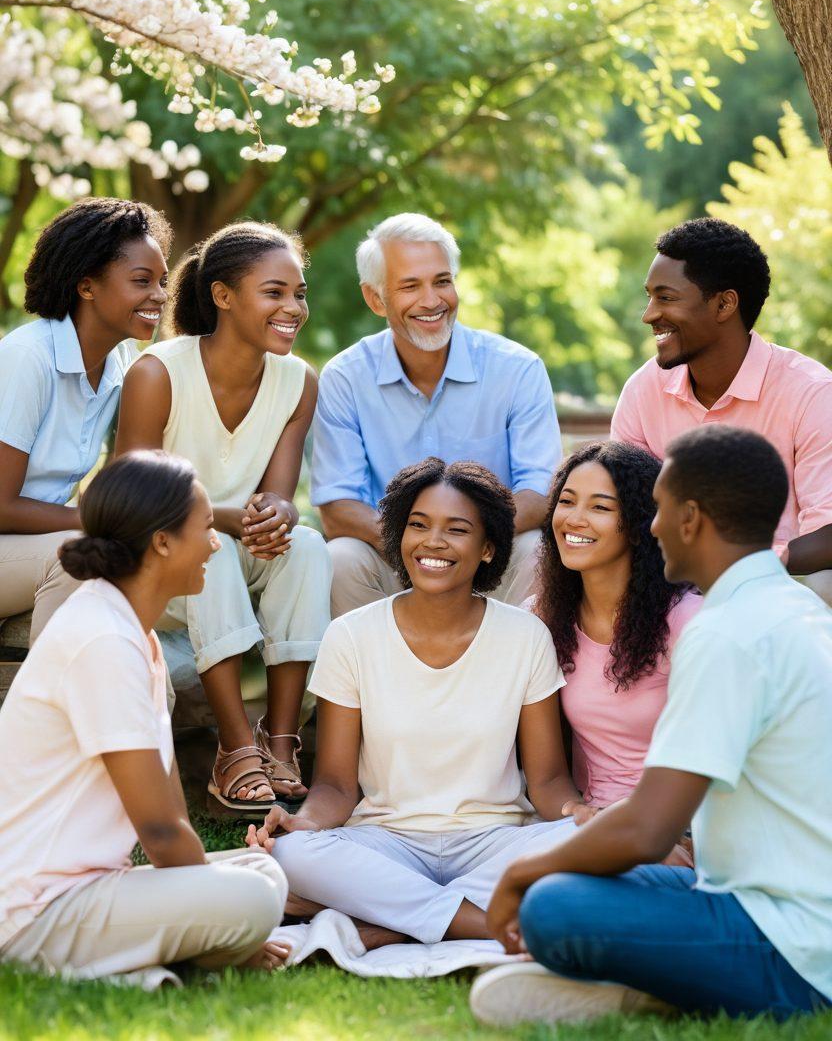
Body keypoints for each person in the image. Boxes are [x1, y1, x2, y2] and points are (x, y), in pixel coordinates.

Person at [472, 426, 832, 1027]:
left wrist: (522, 875)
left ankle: (663, 988)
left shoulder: (722, 633)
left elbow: (647, 828)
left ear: (690, 518)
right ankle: (648, 984)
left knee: (553, 905)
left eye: (659, 509)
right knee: (573, 887)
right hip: (737, 889)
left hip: (793, 942)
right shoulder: (793, 609)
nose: (653, 525)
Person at [247, 458, 578, 948]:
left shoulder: (525, 635)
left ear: (488, 549)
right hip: (387, 842)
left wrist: (579, 811)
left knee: (585, 842)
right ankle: (483, 923)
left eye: (457, 530)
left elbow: (548, 779)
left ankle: (392, 922)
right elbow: (337, 785)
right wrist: (305, 822)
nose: (433, 542)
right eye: (417, 525)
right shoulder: (352, 635)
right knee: (293, 856)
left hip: (496, 841)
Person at [0, 451, 289, 980]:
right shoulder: (103, 639)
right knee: (252, 900)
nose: (216, 543)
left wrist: (202, 900)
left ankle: (147, 957)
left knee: (264, 871)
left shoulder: (135, 634)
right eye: (205, 528)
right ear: (162, 541)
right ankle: (149, 957)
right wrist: (224, 926)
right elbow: (158, 831)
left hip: (88, 885)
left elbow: (171, 812)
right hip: (32, 910)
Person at [116, 222, 331, 813]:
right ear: (222, 295)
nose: (293, 307)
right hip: (154, 558)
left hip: (233, 549)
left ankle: (281, 744)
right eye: (275, 292)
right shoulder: (158, 372)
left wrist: (277, 513)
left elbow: (281, 493)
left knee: (307, 547)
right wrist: (229, 519)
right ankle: (234, 750)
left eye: (299, 293)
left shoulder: (297, 381)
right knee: (205, 542)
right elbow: (129, 498)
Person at [310, 213, 561, 617]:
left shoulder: (518, 369)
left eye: (441, 281)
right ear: (376, 299)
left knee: (536, 549)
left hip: (489, 557)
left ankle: (520, 679)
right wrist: (420, 545)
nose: (431, 301)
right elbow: (337, 506)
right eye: (410, 286)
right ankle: (369, 681)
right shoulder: (345, 377)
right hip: (394, 556)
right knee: (340, 558)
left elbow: (540, 491)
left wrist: (468, 543)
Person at [611, 216, 832, 603]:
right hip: (667, 583)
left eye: (665, 297)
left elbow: (828, 533)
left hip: (780, 584)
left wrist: (736, 564)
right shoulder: (644, 390)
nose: (648, 314)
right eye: (649, 296)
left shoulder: (812, 393)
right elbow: (625, 506)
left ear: (725, 304)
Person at [0, 198, 171, 639]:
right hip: (15, 544)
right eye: (141, 281)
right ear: (87, 286)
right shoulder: (28, 357)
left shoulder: (120, 362)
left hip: (28, 547)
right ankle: (51, 702)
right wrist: (101, 521)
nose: (159, 295)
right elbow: (1, 506)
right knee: (78, 556)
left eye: (162, 281)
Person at [528, 441, 700, 832]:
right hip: (587, 823)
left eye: (600, 507)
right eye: (567, 501)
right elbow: (546, 778)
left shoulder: (689, 621)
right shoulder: (542, 618)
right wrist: (585, 820)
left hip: (683, 827)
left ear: (642, 527)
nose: (574, 519)